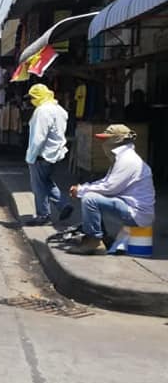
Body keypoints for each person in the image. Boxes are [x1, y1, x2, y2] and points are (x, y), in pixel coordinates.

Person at [66, 125, 156, 255]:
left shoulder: (127, 160)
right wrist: (83, 188)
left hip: (136, 214)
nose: (103, 144)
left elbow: (109, 187)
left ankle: (93, 241)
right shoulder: (122, 158)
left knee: (90, 199)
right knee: (92, 195)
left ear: (116, 140)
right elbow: (106, 182)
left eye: (105, 140)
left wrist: (81, 191)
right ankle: (101, 236)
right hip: (131, 207)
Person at [24, 83, 72, 226]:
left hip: (42, 154)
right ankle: (63, 205)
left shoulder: (42, 111)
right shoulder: (60, 110)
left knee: (38, 186)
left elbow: (38, 137)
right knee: (46, 182)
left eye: (33, 97)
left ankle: (43, 215)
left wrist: (30, 157)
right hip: (55, 153)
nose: (31, 101)